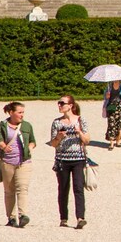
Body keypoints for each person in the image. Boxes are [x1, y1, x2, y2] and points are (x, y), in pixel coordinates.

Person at [49, 95, 90, 229]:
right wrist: (59, 137)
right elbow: (53, 144)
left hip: (78, 159)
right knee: (63, 189)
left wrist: (79, 132)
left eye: (62, 103)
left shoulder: (81, 120)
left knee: (78, 188)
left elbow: (87, 140)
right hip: (62, 159)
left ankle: (80, 217)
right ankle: (63, 218)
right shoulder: (56, 122)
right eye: (59, 103)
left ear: (71, 105)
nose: (60, 105)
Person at [0, 102, 37, 228]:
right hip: (7, 162)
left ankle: (23, 215)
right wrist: (4, 146)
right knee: (9, 191)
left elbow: (33, 141)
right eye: (19, 112)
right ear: (11, 112)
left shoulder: (27, 125)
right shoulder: (2, 125)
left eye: (23, 112)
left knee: (22, 188)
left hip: (24, 161)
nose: (22, 115)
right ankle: (11, 217)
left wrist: (30, 147)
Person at [102, 80, 121, 150]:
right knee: (111, 125)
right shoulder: (109, 88)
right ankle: (111, 143)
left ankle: (118, 141)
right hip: (111, 108)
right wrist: (107, 96)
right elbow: (105, 98)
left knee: (120, 126)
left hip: (120, 108)